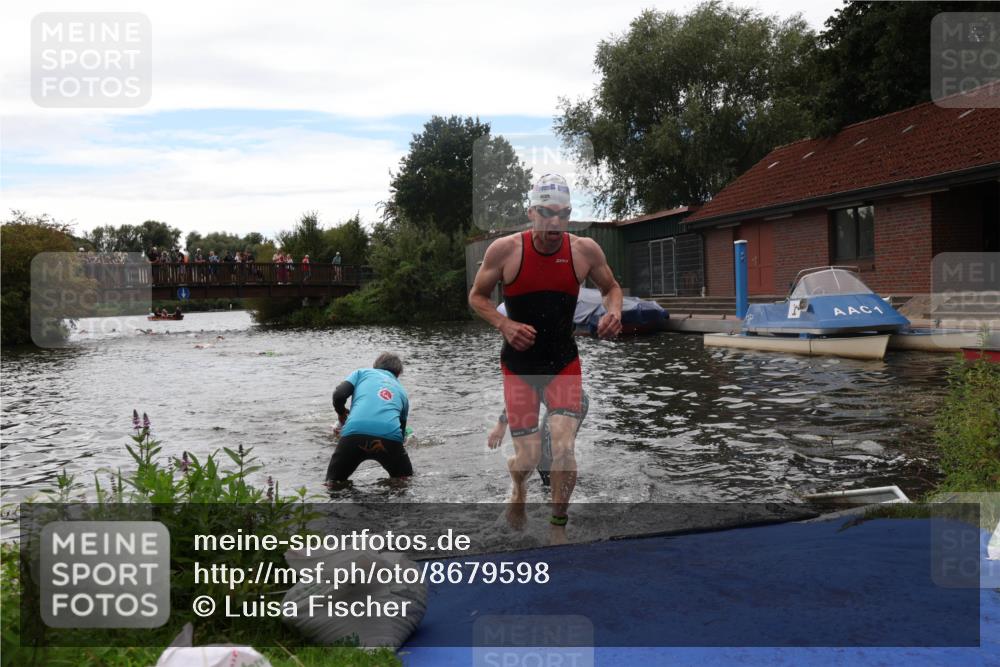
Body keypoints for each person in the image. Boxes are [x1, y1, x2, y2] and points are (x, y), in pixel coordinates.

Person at [468, 173, 622, 531]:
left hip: (563, 362)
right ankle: (518, 489)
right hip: (519, 367)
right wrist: (504, 325)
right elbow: (477, 297)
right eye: (546, 212)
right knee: (529, 457)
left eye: (563, 214)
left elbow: (611, 287)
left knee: (564, 446)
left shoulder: (584, 251)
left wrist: (614, 312)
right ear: (531, 213)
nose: (554, 222)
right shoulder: (505, 250)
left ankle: (557, 526)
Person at [327, 353, 412, 484]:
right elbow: (401, 433)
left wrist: (341, 413)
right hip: (389, 439)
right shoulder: (402, 392)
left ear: (374, 366)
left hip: (353, 434)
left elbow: (338, 395)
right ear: (399, 373)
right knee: (405, 480)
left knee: (333, 483)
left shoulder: (361, 373)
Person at [488, 391, 590, 487]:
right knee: (540, 457)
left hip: (573, 399)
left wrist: (502, 423)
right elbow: (517, 394)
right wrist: (501, 423)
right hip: (556, 402)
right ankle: (550, 493)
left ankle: (561, 497)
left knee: (553, 454)